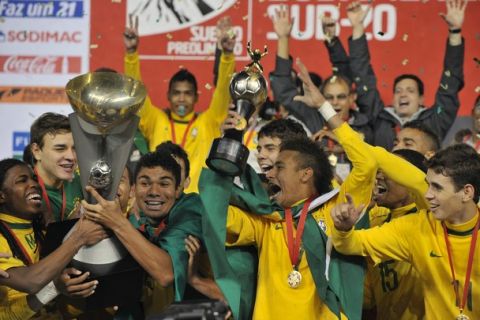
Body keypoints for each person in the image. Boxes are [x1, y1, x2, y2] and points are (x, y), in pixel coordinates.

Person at [200, 58, 378, 320]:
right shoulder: (266, 219)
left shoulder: (335, 207)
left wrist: (323, 108)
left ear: (306, 174)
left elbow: (368, 162)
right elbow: (215, 211)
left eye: (280, 166)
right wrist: (230, 144)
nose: (269, 170)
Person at [331, 143, 480, 319]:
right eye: (428, 185)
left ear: (467, 192)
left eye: (437, 188)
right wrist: (344, 228)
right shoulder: (416, 227)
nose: (428, 195)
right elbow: (352, 244)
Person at [123, 15, 235, 193]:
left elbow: (222, 91)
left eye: (187, 93)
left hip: (197, 204)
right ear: (168, 95)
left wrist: (227, 55)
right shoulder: (156, 120)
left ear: (196, 97)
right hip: (159, 199)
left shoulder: (208, 122)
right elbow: (136, 93)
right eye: (176, 93)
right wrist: (131, 54)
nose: (182, 99)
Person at [82, 152, 203, 306]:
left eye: (164, 184)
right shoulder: (136, 223)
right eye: (145, 184)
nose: (153, 191)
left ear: (178, 189)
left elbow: (166, 273)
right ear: (134, 189)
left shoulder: (190, 209)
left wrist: (117, 223)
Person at [347, 0, 466, 150]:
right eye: (398, 91)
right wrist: (357, 27)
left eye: (410, 91)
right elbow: (362, 76)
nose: (402, 94)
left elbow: (450, 83)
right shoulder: (378, 117)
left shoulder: (435, 120)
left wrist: (455, 32)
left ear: (421, 99)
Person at [0, 158, 106, 319]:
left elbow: (64, 301)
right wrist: (78, 238)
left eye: (34, 179)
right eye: (22, 181)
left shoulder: (44, 232)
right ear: (2, 196)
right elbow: (30, 282)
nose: (34, 184)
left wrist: (68, 288)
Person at [268, 6, 373, 144]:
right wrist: (283, 39)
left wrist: (354, 29)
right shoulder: (313, 118)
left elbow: (361, 71)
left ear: (352, 97)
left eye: (341, 97)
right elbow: (283, 91)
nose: (335, 102)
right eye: (329, 97)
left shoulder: (366, 121)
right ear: (321, 98)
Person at [362, 148, 429, 319]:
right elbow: (367, 298)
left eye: (388, 171)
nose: (379, 176)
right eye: (378, 171)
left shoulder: (429, 220)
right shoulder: (375, 223)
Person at [28, 112, 83, 224]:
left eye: (74, 148)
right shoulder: (23, 191)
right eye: (60, 149)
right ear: (36, 151)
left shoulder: (83, 181)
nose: (71, 157)